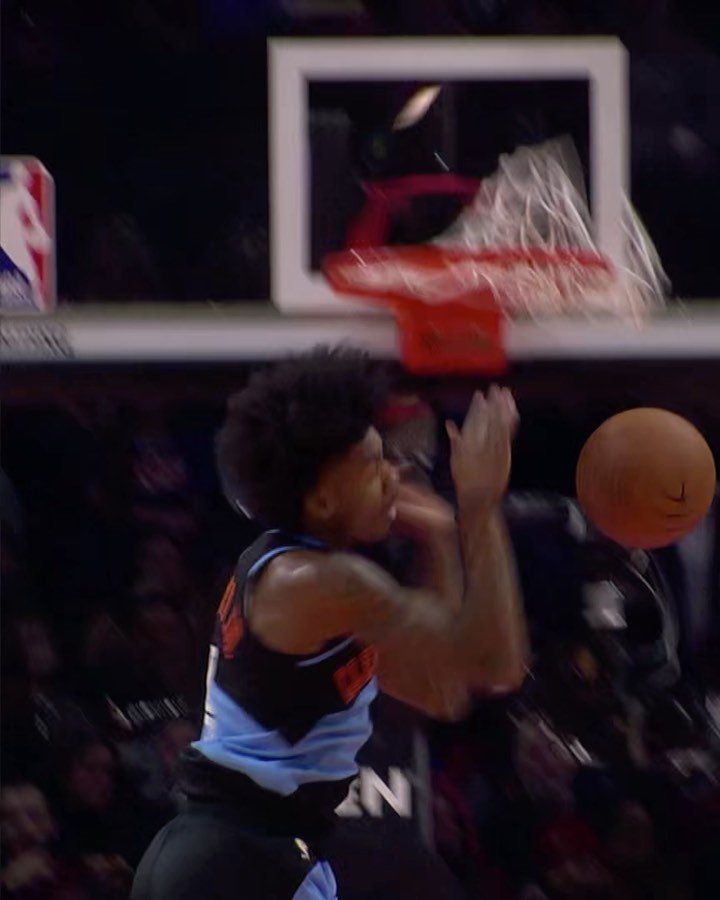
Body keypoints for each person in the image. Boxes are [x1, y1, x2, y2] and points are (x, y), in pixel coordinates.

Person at [132, 346, 528, 900]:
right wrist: (481, 509)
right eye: (373, 464)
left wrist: (441, 538)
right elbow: (495, 667)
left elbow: (443, 691)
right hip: (235, 861)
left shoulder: (308, 578)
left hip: (243, 852)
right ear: (321, 498)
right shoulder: (319, 582)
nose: (394, 475)